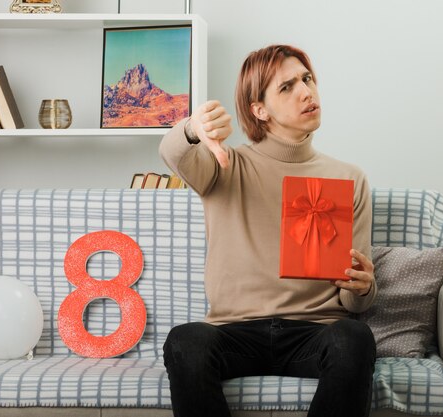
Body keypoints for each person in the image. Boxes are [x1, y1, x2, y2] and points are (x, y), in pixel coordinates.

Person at [160, 44, 377, 417]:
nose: (306, 92)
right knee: (185, 340)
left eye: (307, 79)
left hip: (314, 331)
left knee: (355, 337)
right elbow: (173, 153)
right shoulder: (225, 164)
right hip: (234, 332)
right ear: (259, 110)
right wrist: (194, 129)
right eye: (287, 87)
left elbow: (353, 300)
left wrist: (363, 288)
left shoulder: (349, 177)